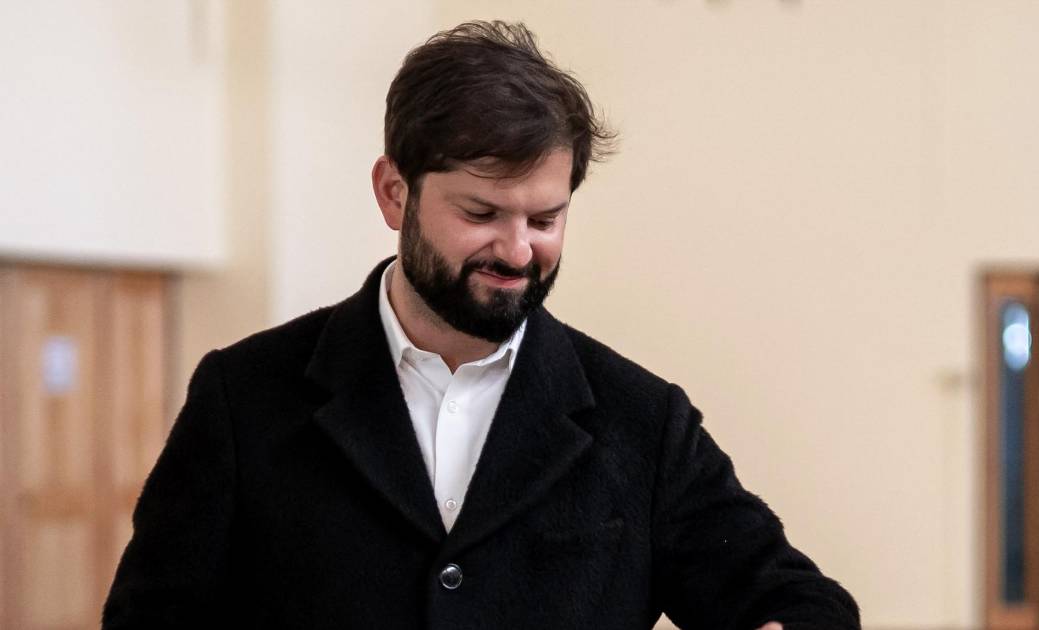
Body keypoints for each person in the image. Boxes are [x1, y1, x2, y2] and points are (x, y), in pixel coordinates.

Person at [102, 21, 859, 630]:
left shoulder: (644, 422)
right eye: (481, 213)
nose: (518, 250)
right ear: (394, 193)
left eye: (546, 218)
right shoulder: (243, 396)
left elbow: (798, 601)